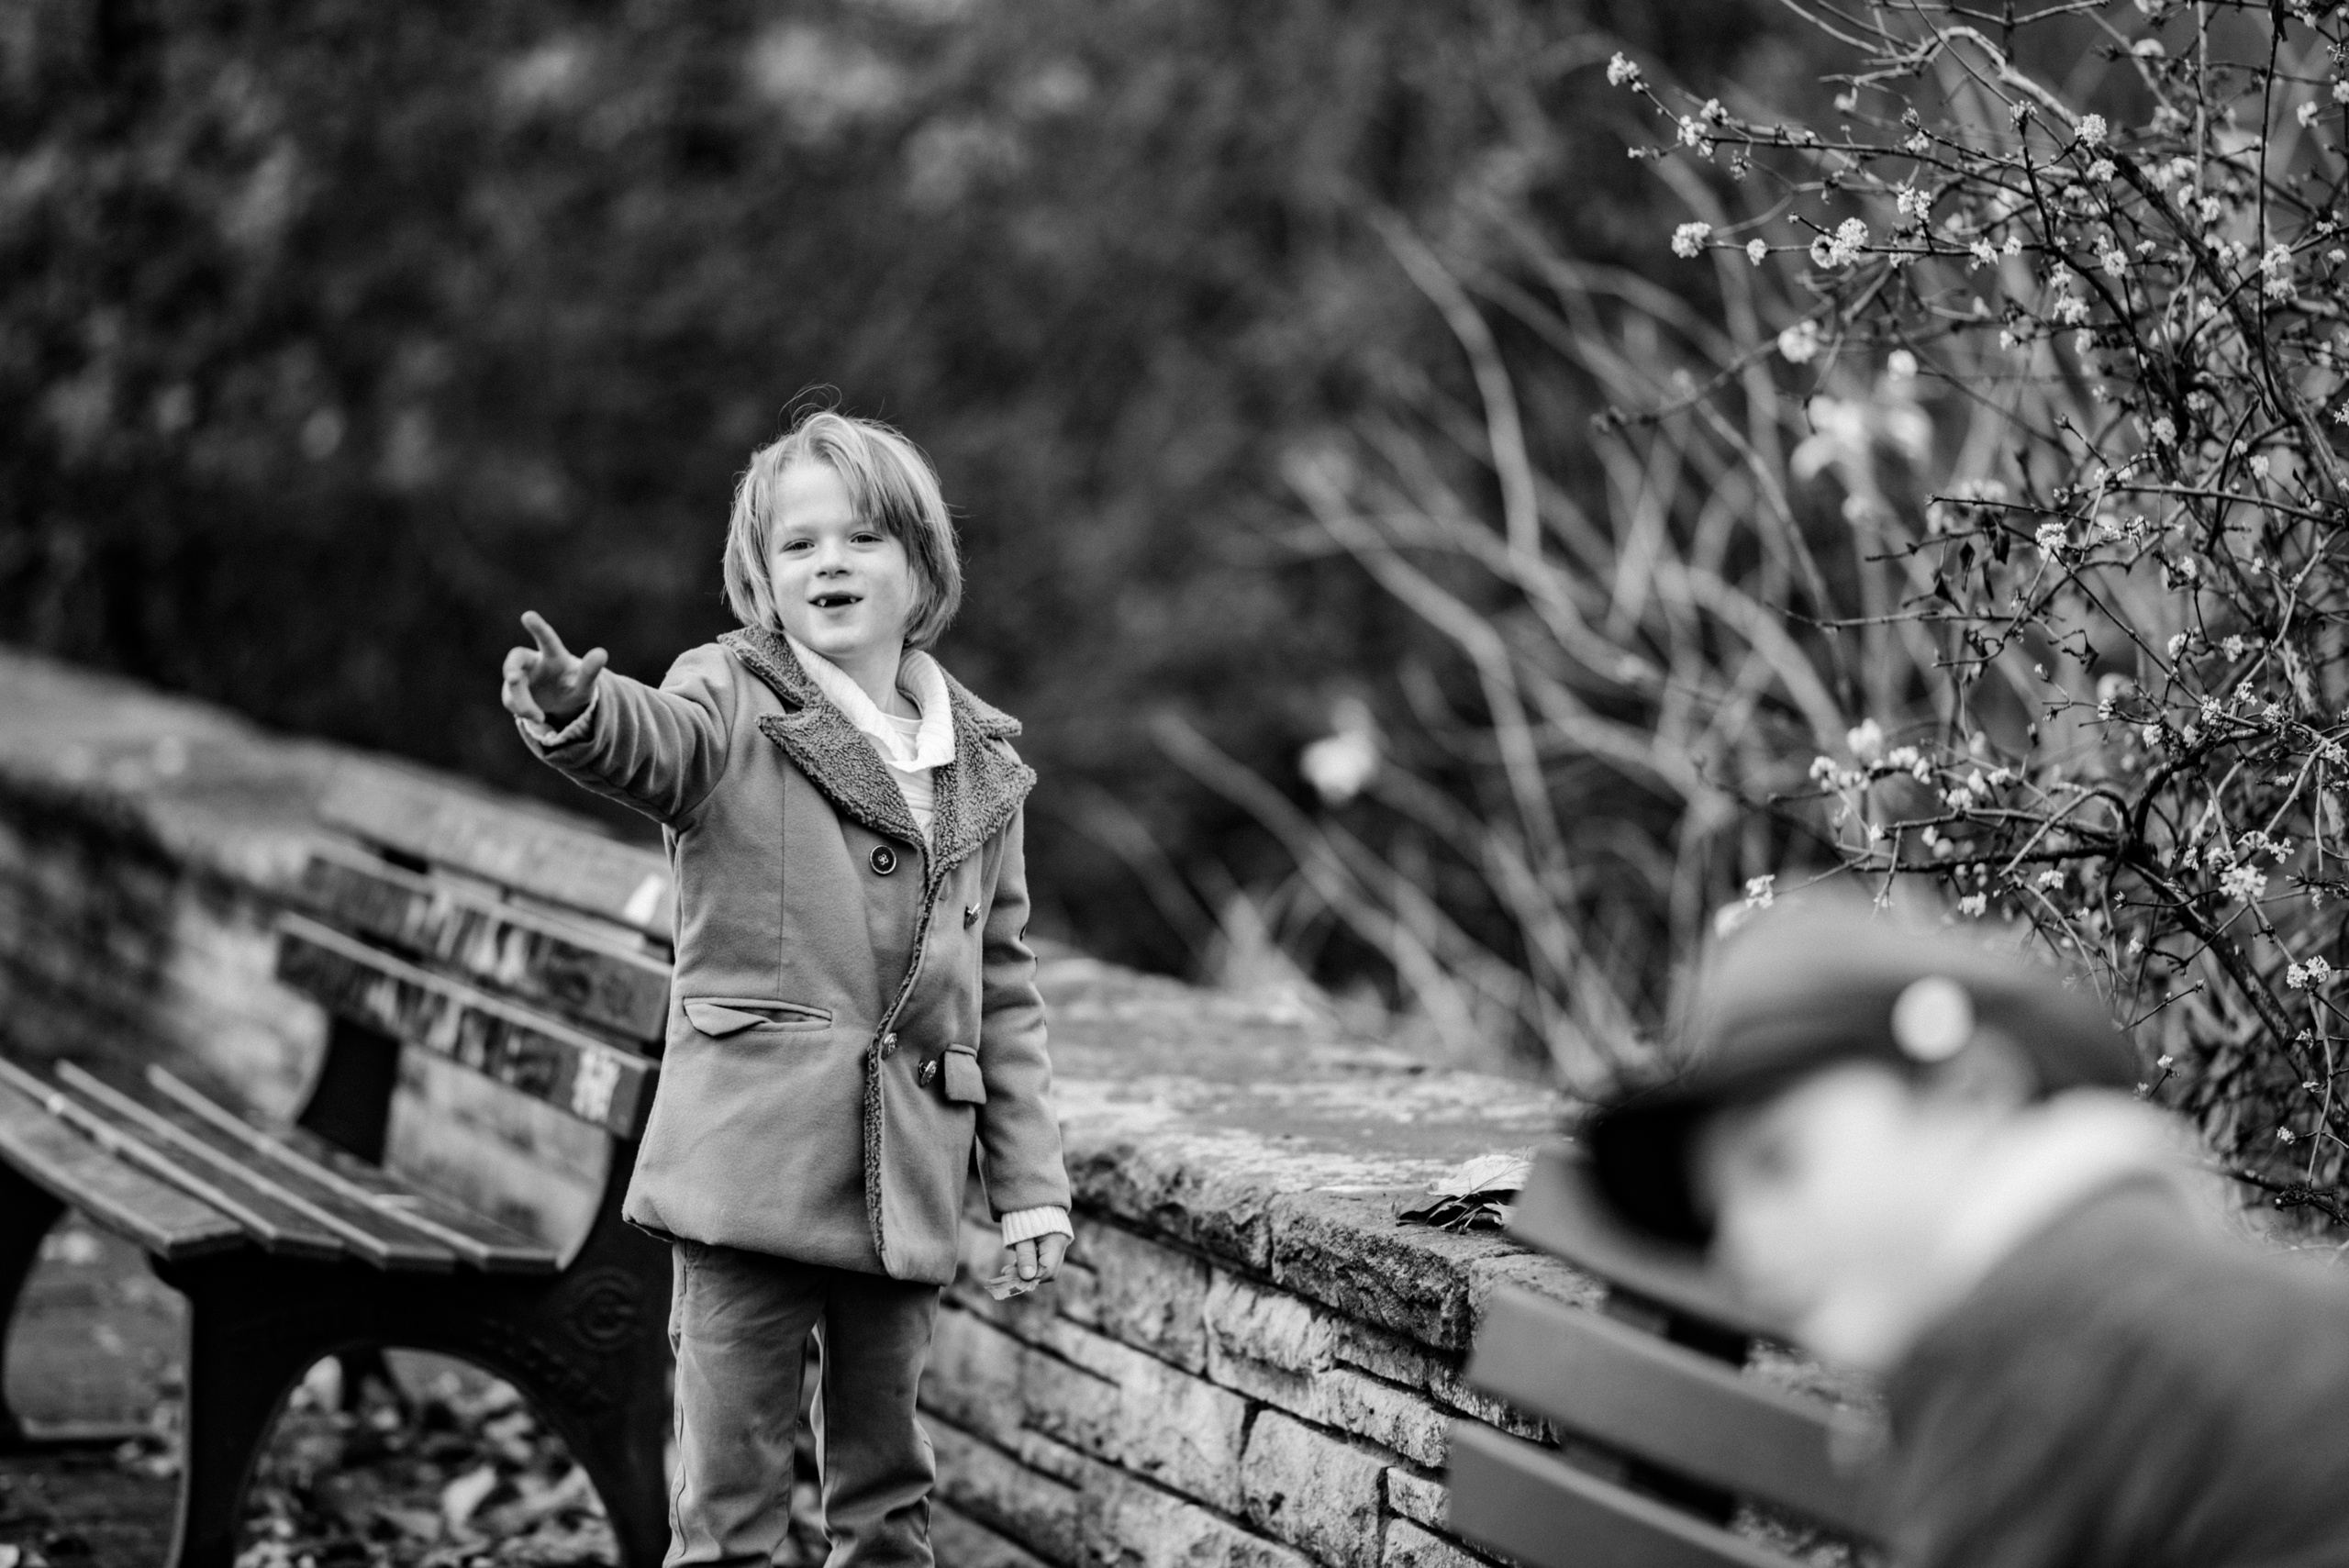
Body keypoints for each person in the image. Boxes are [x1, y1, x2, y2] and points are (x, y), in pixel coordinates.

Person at [499, 408, 1072, 1568]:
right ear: (760, 574)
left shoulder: (979, 760)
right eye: (798, 545)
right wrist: (577, 708)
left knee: (886, 1493)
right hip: (745, 1166)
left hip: (903, 1175)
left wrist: (1030, 1185)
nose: (829, 564)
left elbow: (999, 988)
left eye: (861, 538)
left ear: (921, 568)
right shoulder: (728, 694)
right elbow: (653, 744)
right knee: (730, 1497)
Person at [1582, 896, 2349, 1568]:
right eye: (1717, 1214)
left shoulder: (2041, 1349)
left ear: (1972, 1093)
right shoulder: (2135, 1282)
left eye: (1780, 1161)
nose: (1740, 1249)